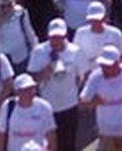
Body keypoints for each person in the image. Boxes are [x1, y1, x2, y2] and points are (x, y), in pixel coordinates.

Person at [27, 19, 83, 150]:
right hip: (47, 107)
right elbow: (31, 79)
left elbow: (81, 76)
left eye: (59, 37)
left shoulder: (75, 51)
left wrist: (77, 93)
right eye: (53, 37)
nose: (56, 41)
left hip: (70, 106)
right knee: (49, 144)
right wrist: (45, 72)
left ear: (65, 36)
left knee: (68, 143)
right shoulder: (39, 51)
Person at [0, 74, 57, 151]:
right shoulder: (8, 106)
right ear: (17, 92)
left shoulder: (44, 107)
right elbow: (0, 133)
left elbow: (51, 134)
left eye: (32, 88)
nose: (30, 92)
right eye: (25, 90)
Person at [0, 0, 39, 74]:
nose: (7, 9)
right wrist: (0, 24)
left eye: (10, 5)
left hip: (21, 56)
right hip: (3, 57)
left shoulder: (21, 13)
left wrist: (35, 49)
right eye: (3, 6)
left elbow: (29, 33)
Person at [73, 2, 122, 75]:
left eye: (98, 19)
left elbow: (121, 56)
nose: (95, 22)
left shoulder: (115, 33)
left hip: (109, 74)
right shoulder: (80, 33)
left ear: (104, 18)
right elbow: (76, 56)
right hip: (87, 73)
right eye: (93, 19)